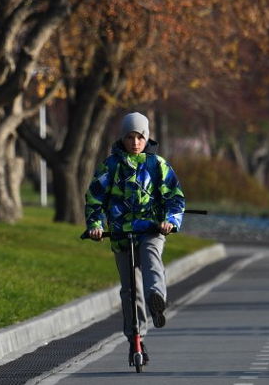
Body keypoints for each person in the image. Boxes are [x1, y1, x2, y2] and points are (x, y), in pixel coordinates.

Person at [84, 112, 185, 365]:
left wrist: (170, 222)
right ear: (123, 138)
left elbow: (175, 197)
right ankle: (136, 339)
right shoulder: (111, 166)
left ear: (146, 137)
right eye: (130, 137)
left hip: (151, 229)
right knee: (130, 291)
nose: (135, 142)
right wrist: (95, 225)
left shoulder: (157, 165)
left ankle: (157, 301)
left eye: (139, 137)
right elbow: (95, 198)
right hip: (120, 234)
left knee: (151, 259)